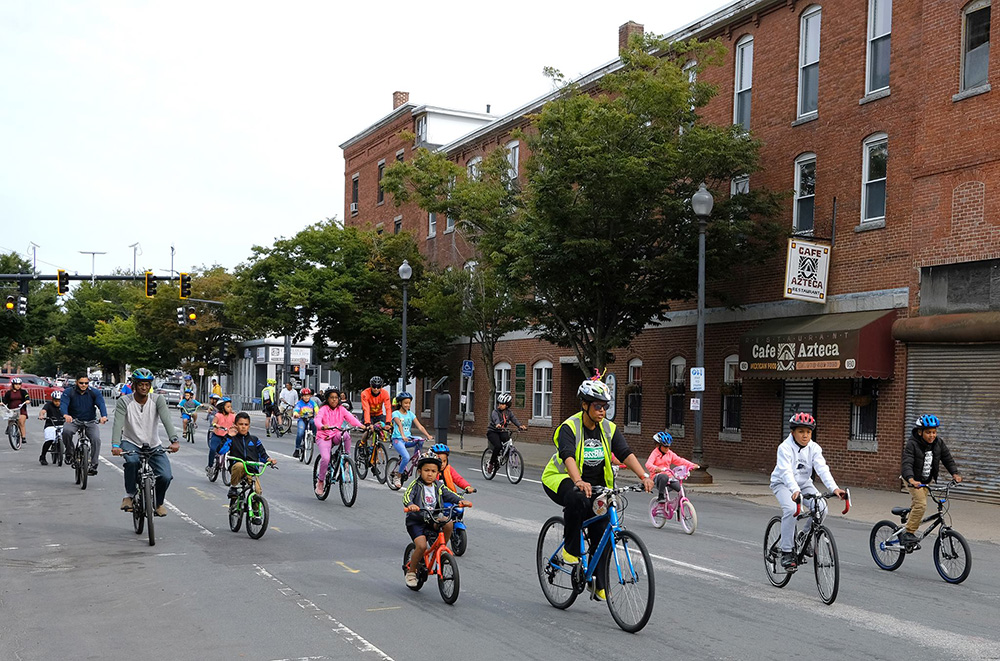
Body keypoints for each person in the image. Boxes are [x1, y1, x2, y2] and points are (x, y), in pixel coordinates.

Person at [541, 374, 653, 601]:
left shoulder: (609, 429)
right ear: (585, 405)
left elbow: (625, 453)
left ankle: (597, 583)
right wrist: (578, 481)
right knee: (577, 499)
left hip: (598, 486)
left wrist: (643, 475)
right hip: (561, 478)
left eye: (605, 407)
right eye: (598, 406)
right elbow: (568, 455)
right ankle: (570, 550)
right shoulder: (569, 427)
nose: (602, 411)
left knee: (602, 528)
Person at [769, 412, 847, 569]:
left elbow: (822, 469)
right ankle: (786, 551)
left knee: (822, 508)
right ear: (793, 432)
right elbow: (785, 472)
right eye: (801, 431)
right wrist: (795, 491)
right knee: (792, 510)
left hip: (804, 484)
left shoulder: (814, 448)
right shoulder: (784, 448)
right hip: (783, 484)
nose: (805, 436)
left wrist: (834, 488)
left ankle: (803, 536)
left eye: (808, 432)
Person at [110, 368, 180, 516]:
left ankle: (158, 503)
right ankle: (129, 495)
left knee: (166, 475)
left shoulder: (157, 400)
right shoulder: (124, 401)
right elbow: (118, 424)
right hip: (131, 442)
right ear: (134, 385)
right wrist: (116, 445)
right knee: (132, 462)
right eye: (141, 384)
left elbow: (166, 419)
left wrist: (174, 440)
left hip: (153, 444)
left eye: (147, 384)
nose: (144, 387)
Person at [402, 452, 472, 588]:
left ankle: (442, 548)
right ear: (419, 471)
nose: (430, 474)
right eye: (426, 470)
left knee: (448, 522)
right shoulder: (416, 485)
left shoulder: (438, 485)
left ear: (437, 473)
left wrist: (461, 501)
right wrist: (410, 505)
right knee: (422, 546)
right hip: (416, 521)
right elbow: (407, 496)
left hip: (432, 518)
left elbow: (450, 494)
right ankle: (411, 572)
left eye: (433, 471)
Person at [900, 414, 963, 546]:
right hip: (912, 479)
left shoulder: (938, 443)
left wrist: (955, 473)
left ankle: (909, 518)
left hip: (925, 480)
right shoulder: (912, 444)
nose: (932, 435)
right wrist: (911, 479)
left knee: (919, 504)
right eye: (928, 432)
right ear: (920, 432)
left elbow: (947, 458)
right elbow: (907, 463)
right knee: (921, 504)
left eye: (934, 432)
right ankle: (908, 533)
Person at [314, 388, 365, 495]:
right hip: (324, 436)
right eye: (331, 398)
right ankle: (320, 481)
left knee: (345, 434)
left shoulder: (341, 409)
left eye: (336, 398)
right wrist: (322, 426)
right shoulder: (323, 409)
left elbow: (350, 418)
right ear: (327, 399)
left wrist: (361, 425)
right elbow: (317, 420)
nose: (334, 400)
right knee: (326, 458)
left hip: (336, 434)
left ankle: (346, 458)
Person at [218, 412, 276, 499]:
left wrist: (269, 460)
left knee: (257, 491)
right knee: (240, 465)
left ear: (249, 426)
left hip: (252, 470)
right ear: (235, 425)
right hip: (238, 468)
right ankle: (233, 487)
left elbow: (262, 454)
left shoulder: (254, 439)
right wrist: (229, 436)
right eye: (240, 424)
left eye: (246, 424)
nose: (243, 426)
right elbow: (221, 450)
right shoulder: (232, 438)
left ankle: (256, 510)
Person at [61, 374, 109, 476]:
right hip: (74, 420)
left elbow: (101, 404)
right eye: (81, 383)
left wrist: (104, 416)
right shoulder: (69, 392)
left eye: (86, 383)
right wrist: (65, 415)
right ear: (76, 383)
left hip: (90, 421)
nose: (84, 385)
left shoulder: (94, 392)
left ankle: (94, 465)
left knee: (96, 439)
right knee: (66, 431)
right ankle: (69, 452)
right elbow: (64, 404)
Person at [390, 392, 433, 488]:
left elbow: (420, 426)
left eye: (409, 403)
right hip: (398, 439)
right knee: (405, 457)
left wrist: (428, 435)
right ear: (400, 403)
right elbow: (399, 424)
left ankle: (416, 459)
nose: (407, 405)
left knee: (419, 439)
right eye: (405, 403)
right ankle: (398, 475)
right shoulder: (395, 413)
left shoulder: (410, 414)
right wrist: (402, 435)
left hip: (408, 439)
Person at [645, 431, 698, 503]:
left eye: (668, 446)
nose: (667, 448)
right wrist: (655, 468)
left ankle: (680, 507)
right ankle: (661, 496)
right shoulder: (655, 453)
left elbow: (680, 460)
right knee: (664, 477)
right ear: (658, 445)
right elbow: (648, 464)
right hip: (657, 477)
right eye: (665, 446)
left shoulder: (670, 453)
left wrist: (692, 465)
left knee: (681, 489)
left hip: (669, 477)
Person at [486, 393, 527, 472]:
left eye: (502, 404)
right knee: (498, 446)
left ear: (507, 405)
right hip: (493, 431)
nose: (500, 405)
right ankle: (491, 463)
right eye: (499, 403)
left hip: (502, 431)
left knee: (507, 440)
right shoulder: (495, 412)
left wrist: (520, 426)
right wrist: (497, 424)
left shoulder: (509, 413)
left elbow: (514, 419)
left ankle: (505, 455)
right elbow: (495, 419)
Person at [37, 391, 65, 465]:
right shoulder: (48, 405)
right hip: (51, 425)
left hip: (62, 425)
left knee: (68, 438)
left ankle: (70, 455)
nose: (57, 403)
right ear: (52, 400)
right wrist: (41, 415)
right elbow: (43, 411)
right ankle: (43, 456)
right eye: (55, 401)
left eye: (59, 401)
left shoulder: (64, 405)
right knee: (49, 439)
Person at [293, 388, 320, 459]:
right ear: (301, 396)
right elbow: (296, 410)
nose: (306, 397)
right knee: (300, 432)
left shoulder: (313, 403)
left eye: (308, 396)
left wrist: (318, 415)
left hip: (310, 418)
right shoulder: (299, 403)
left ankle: (314, 436)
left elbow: (317, 410)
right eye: (304, 396)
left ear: (310, 396)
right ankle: (297, 449)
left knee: (314, 422)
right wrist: (296, 414)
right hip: (302, 419)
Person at [1, 377, 30, 443]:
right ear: (13, 385)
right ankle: (9, 427)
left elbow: (26, 396)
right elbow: (5, 400)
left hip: (21, 409)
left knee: (21, 422)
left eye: (19, 384)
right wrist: (2, 403)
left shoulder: (23, 392)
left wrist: (27, 400)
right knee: (11, 419)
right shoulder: (8, 393)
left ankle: (23, 437)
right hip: (12, 409)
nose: (18, 386)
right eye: (16, 384)